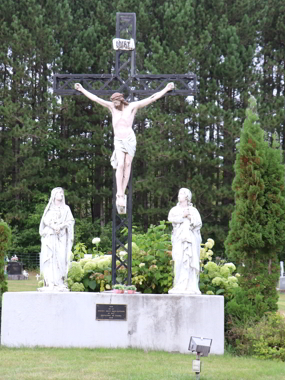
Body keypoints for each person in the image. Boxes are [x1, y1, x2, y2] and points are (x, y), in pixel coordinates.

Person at [74, 82, 175, 213]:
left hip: (130, 139)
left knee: (127, 164)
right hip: (118, 140)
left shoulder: (132, 107)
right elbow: (96, 98)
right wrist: (82, 89)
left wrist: (166, 89)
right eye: (113, 102)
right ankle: (120, 193)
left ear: (121, 100)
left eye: (116, 102)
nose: (115, 104)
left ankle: (123, 189)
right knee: (120, 164)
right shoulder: (111, 107)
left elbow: (152, 98)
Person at [39, 187, 75, 291]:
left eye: (62, 193)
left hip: (61, 237)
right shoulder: (49, 208)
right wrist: (53, 226)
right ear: (54, 195)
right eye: (59, 193)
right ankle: (50, 281)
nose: (61, 195)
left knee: (61, 258)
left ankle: (59, 282)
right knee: (50, 258)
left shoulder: (66, 209)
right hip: (50, 236)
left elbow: (71, 221)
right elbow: (45, 220)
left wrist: (61, 226)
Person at [168, 188, 202, 294]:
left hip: (190, 240)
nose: (179, 196)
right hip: (179, 239)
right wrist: (183, 215)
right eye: (178, 194)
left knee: (190, 261)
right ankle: (179, 285)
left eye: (181, 194)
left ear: (187, 196)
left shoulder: (193, 210)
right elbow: (171, 219)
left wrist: (190, 217)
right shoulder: (175, 210)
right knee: (179, 261)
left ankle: (191, 286)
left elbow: (198, 223)